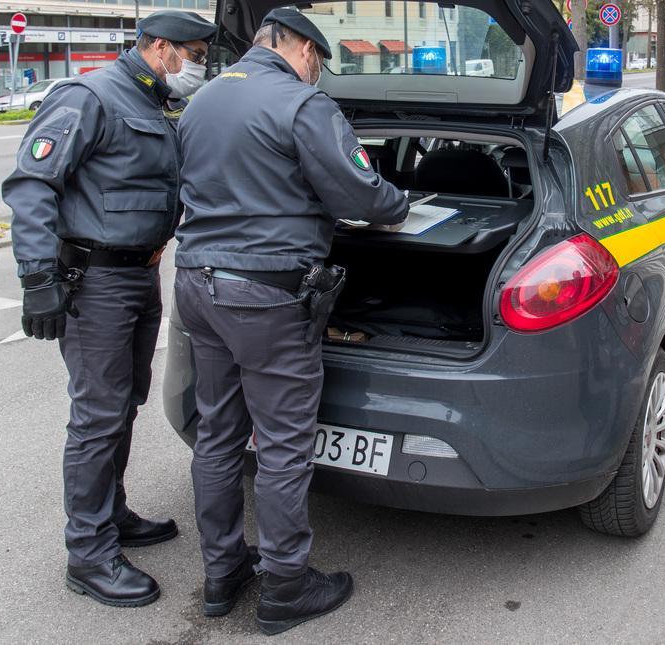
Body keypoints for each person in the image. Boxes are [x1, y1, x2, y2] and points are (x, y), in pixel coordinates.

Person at [173, 8, 409, 635]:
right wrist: (400, 201)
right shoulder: (304, 106)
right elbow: (365, 196)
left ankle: (224, 573)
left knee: (219, 433)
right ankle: (285, 584)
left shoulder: (203, 100)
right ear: (301, 48)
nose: (316, 73)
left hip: (198, 284)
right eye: (318, 62)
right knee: (282, 443)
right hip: (265, 296)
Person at [1, 10, 216, 608]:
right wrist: (38, 276)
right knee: (97, 414)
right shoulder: (90, 95)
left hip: (139, 277)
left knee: (125, 402)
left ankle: (111, 515)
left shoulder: (152, 105)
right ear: (161, 48)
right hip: (93, 281)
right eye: (193, 53)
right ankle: (88, 553)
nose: (198, 65)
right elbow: (32, 184)